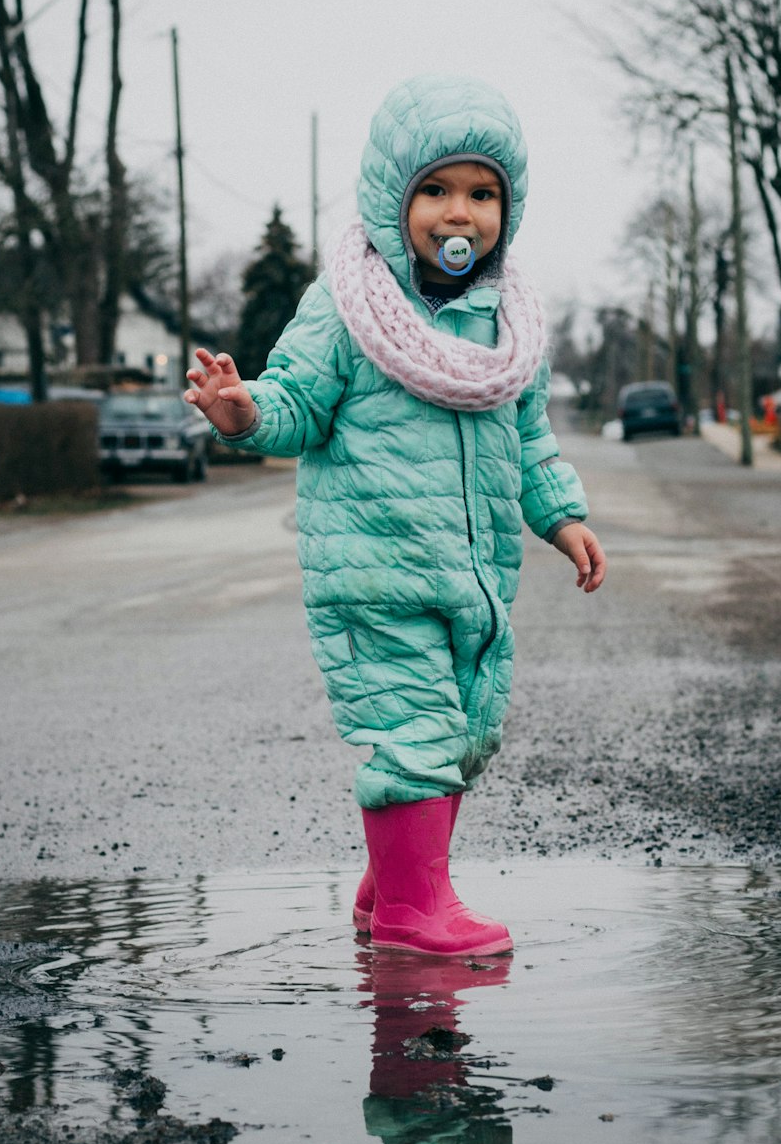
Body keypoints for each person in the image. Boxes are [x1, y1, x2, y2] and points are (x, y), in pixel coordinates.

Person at [185, 74, 606, 958]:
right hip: (374, 568)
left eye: (483, 194)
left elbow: (529, 439)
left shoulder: (510, 323)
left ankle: (392, 887)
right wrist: (244, 410)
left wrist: (562, 518)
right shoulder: (349, 303)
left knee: (464, 733)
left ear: (509, 206)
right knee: (413, 729)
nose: (461, 214)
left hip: (476, 574)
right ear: (394, 198)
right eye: (438, 191)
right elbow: (300, 399)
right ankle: (419, 911)